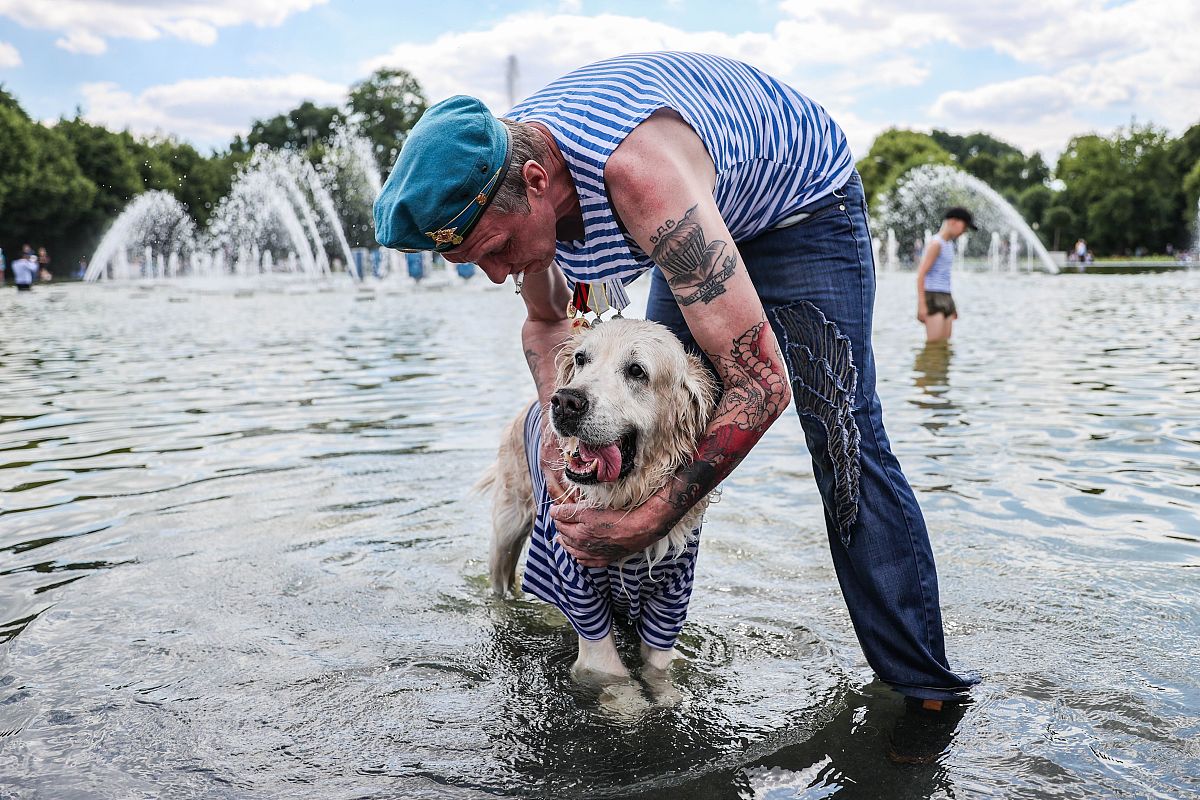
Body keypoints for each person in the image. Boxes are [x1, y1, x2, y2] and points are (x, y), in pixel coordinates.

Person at [374, 52, 976, 706]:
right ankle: (623, 654)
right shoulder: (498, 176)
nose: (495, 274)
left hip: (801, 213)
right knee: (647, 425)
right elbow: (550, 327)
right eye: (473, 261)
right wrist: (562, 442)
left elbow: (761, 383)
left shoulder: (640, 179)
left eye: (493, 251)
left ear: (538, 179)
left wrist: (650, 519)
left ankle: (925, 692)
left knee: (844, 442)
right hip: (695, 221)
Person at [915, 208, 974, 343]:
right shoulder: (936, 243)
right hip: (933, 295)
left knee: (945, 344)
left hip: (946, 296)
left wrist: (952, 304)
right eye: (964, 227)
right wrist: (922, 304)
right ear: (953, 222)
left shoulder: (949, 244)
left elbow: (945, 276)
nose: (964, 231)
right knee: (934, 345)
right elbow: (921, 274)